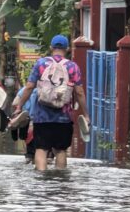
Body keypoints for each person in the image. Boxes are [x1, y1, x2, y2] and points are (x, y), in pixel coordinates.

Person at [13, 35, 89, 171]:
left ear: (51, 48)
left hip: (42, 118)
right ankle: (59, 180)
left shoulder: (41, 64)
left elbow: (30, 87)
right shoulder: (72, 67)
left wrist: (19, 107)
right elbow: (80, 92)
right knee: (60, 150)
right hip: (64, 118)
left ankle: (42, 180)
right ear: (67, 49)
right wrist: (86, 114)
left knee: (41, 149)